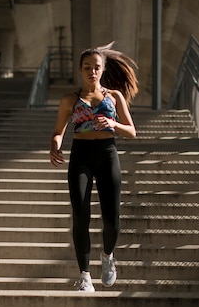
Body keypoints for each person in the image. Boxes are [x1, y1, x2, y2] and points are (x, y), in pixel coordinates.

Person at [50, 42, 139, 292]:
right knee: (80, 217)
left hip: (107, 154)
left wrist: (111, 123)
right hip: (81, 155)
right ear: (80, 70)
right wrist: (55, 146)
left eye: (96, 67)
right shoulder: (70, 100)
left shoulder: (114, 97)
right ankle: (85, 276)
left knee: (112, 220)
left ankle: (108, 256)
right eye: (87, 67)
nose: (92, 71)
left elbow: (131, 131)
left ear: (102, 70)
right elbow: (58, 132)